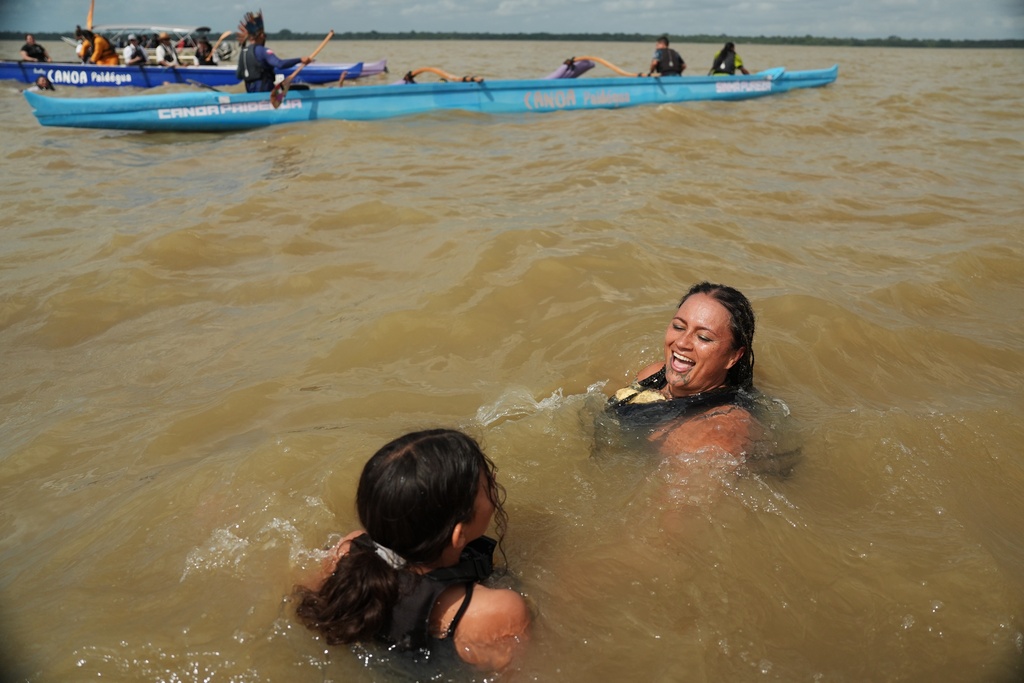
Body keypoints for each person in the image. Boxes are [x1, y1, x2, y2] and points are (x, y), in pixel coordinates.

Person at [295, 429, 530, 671]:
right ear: (458, 535)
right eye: (487, 484)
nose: (493, 480)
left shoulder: (347, 551)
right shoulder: (492, 612)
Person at [607, 282, 760, 459]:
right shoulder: (654, 373)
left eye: (703, 337)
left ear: (733, 356)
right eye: (679, 327)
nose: (681, 343)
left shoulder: (718, 432)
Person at [235, 10, 312, 93]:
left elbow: (239, 75)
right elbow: (280, 64)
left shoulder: (243, 52)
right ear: (261, 35)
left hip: (250, 93)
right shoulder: (262, 51)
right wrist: (300, 59)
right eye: (265, 35)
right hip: (264, 94)